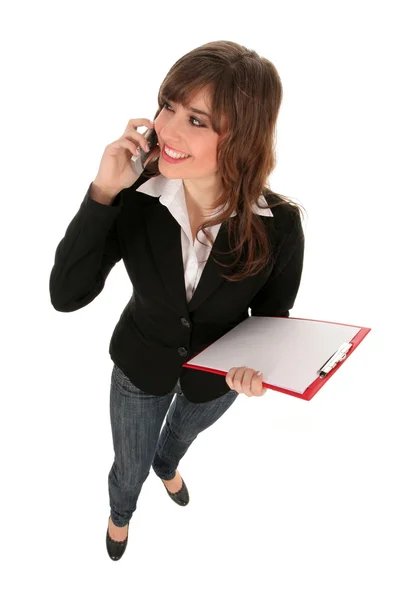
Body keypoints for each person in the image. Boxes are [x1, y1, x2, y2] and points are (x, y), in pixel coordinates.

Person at [49, 40, 305, 561]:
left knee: (176, 443)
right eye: (168, 106)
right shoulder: (135, 193)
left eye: (196, 120)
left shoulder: (281, 225)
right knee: (129, 461)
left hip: (213, 382)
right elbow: (66, 296)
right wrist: (102, 192)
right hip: (140, 368)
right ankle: (122, 512)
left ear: (243, 137)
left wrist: (256, 369)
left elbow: (270, 323)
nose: (165, 130)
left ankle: (168, 466)